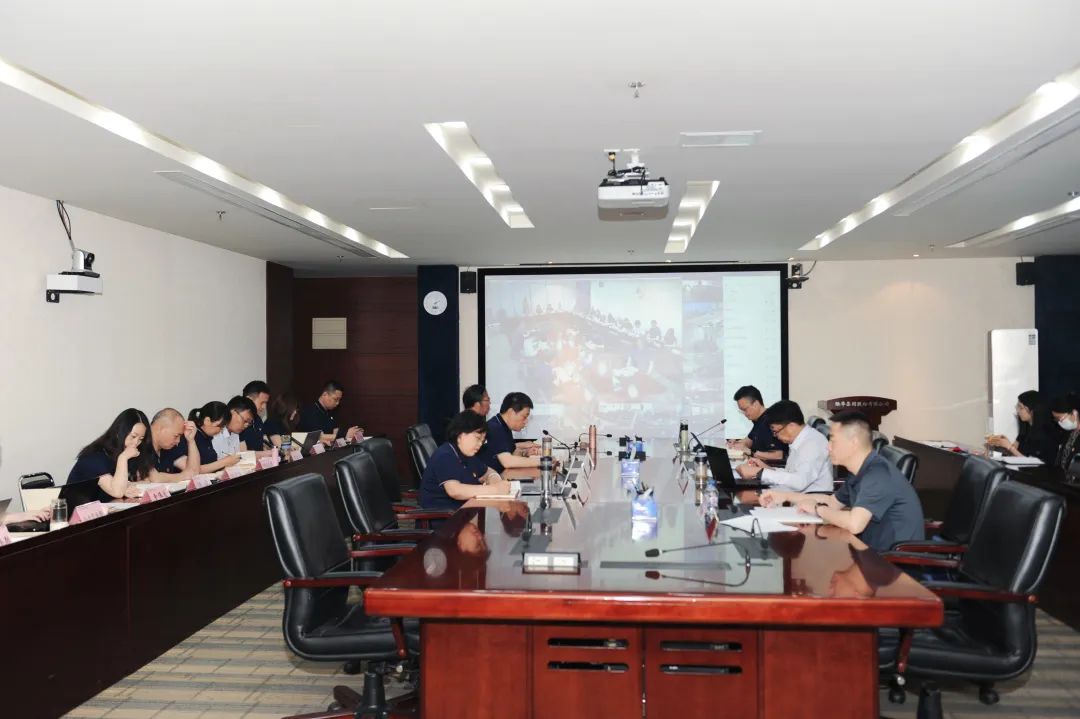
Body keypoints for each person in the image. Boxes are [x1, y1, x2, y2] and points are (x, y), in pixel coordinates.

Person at [759, 411, 924, 552]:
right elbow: (832, 502)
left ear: (854, 443)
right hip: (869, 553)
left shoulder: (878, 474)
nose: (828, 447)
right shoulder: (859, 470)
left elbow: (855, 524)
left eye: (833, 440)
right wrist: (784, 496)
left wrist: (817, 509)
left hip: (893, 566)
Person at [419, 411, 510, 510]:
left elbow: (487, 471)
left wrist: (495, 480)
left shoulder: (467, 454)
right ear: (460, 434)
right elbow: (455, 491)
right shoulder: (445, 455)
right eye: (478, 438)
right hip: (446, 515)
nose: (480, 444)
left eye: (482, 440)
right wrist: (494, 489)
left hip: (466, 509)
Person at [736, 400, 832, 492]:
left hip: (810, 500)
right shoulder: (800, 440)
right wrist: (766, 468)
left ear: (791, 426)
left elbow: (799, 482)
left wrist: (760, 472)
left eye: (775, 431)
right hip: (792, 495)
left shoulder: (812, 444)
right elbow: (790, 473)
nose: (775, 436)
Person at [65, 408, 154, 501]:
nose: (136, 443)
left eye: (141, 439)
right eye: (133, 436)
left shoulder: (124, 451)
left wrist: (127, 486)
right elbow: (117, 492)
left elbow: (146, 481)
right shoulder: (95, 458)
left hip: (106, 507)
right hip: (77, 508)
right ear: (119, 432)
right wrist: (123, 458)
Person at [986, 390, 1063, 464]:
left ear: (1033, 410)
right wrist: (1002, 444)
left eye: (1021, 407)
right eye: (1017, 406)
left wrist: (1009, 447)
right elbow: (1015, 455)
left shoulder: (1048, 434)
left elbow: (1034, 463)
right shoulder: (1025, 430)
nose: (1017, 410)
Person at [479, 392, 542, 472]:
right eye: (524, 417)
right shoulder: (495, 427)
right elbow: (508, 462)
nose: (526, 422)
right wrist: (544, 462)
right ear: (511, 412)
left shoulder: (504, 426)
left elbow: (512, 453)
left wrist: (525, 453)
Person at [729, 385, 785, 461]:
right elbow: (749, 441)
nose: (744, 414)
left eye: (745, 409)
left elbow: (779, 456)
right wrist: (735, 444)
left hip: (771, 467)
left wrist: (750, 452)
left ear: (756, 404)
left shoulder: (771, 421)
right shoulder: (759, 420)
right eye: (742, 411)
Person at [297, 380, 362, 444]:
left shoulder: (330, 412)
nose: (337, 403)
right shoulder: (309, 411)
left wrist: (353, 433)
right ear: (325, 394)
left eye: (339, 400)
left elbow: (335, 431)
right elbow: (319, 436)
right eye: (335, 399)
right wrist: (345, 435)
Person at [187, 401, 241, 473]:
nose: (221, 431)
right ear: (207, 421)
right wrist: (225, 462)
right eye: (220, 427)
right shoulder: (191, 436)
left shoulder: (207, 437)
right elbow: (194, 470)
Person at [148, 408, 200, 481]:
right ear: (159, 428)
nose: (178, 441)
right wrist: (184, 476)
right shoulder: (140, 445)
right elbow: (154, 478)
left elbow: (193, 472)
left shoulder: (169, 447)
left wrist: (191, 441)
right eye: (176, 436)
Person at [239, 380, 272, 453]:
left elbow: (265, 445)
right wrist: (265, 454)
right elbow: (242, 453)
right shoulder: (238, 421)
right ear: (249, 399)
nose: (264, 407)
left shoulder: (258, 419)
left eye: (266, 403)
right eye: (262, 403)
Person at [1050, 393, 1080, 471]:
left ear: (1074, 413)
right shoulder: (1068, 433)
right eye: (1056, 419)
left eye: (1059, 418)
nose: (1059, 422)